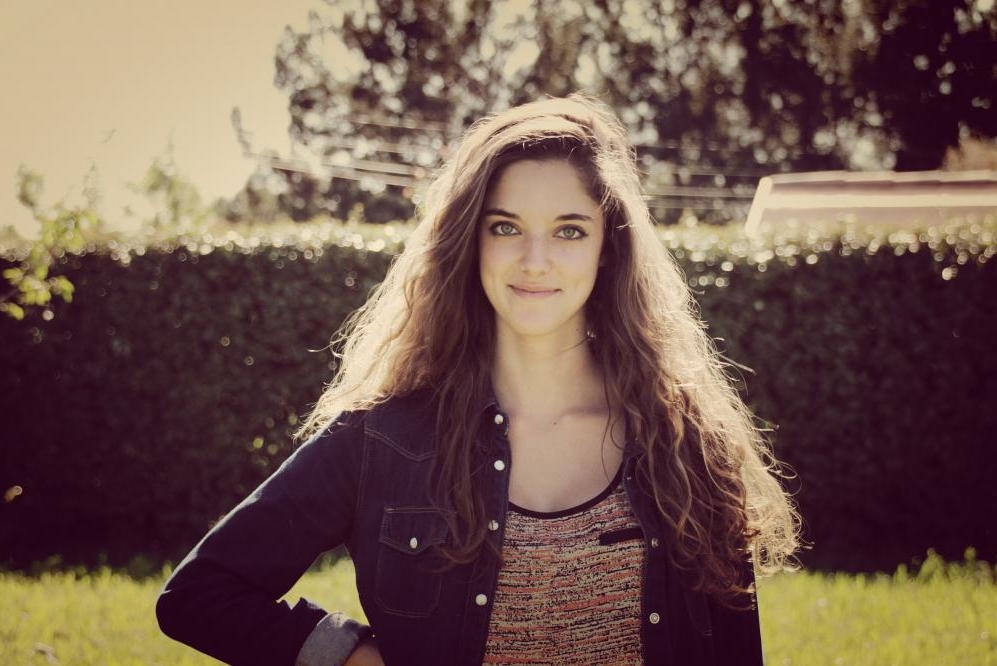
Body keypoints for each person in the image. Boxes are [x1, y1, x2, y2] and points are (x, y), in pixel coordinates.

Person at [156, 94, 800, 666]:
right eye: (506, 227)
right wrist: (347, 656)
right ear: (471, 242)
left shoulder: (687, 443)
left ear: (609, 249)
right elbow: (200, 594)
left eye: (569, 230)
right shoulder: (382, 439)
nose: (535, 260)